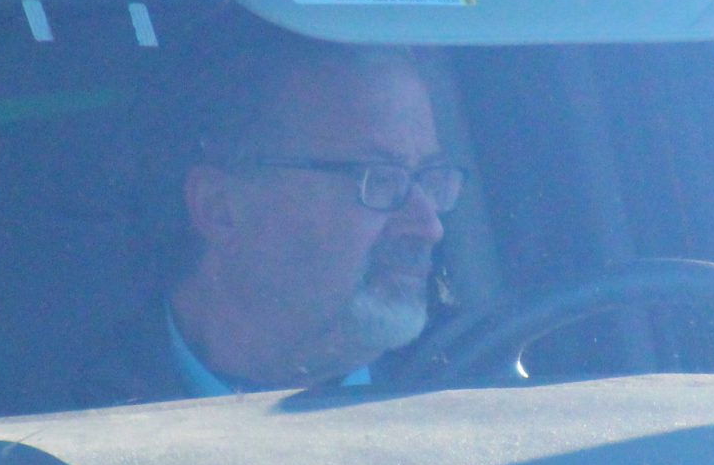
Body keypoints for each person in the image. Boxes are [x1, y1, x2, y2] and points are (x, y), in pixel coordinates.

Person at [84, 34, 465, 402]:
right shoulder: (60, 418)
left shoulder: (480, 388)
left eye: (431, 178)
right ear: (221, 209)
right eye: (379, 179)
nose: (429, 226)